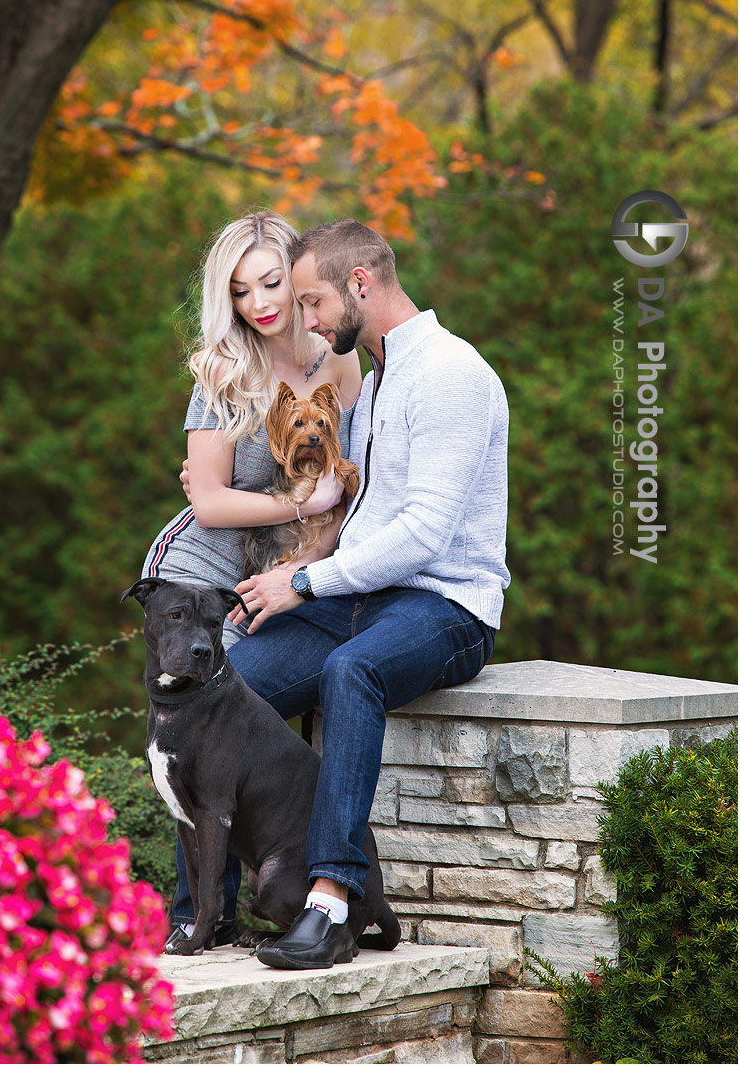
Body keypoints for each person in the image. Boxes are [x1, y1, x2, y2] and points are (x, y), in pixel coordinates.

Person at [216, 218, 511, 969]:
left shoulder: (451, 372)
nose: (306, 322)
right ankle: (204, 906)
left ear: (359, 285)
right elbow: (367, 519)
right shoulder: (380, 380)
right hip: (361, 597)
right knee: (223, 690)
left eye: (312, 302)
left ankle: (331, 902)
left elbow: (422, 537)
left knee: (355, 671)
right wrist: (293, 577)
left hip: (445, 606)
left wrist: (304, 581)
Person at [141, 211, 362, 953]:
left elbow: (351, 478)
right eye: (240, 291)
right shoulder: (222, 370)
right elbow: (207, 500)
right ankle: (195, 915)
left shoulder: (341, 362)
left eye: (271, 282)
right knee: (198, 734)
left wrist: (311, 553)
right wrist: (305, 500)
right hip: (201, 578)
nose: (260, 303)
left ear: (300, 278)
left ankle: (282, 891)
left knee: (242, 731)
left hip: (283, 577)